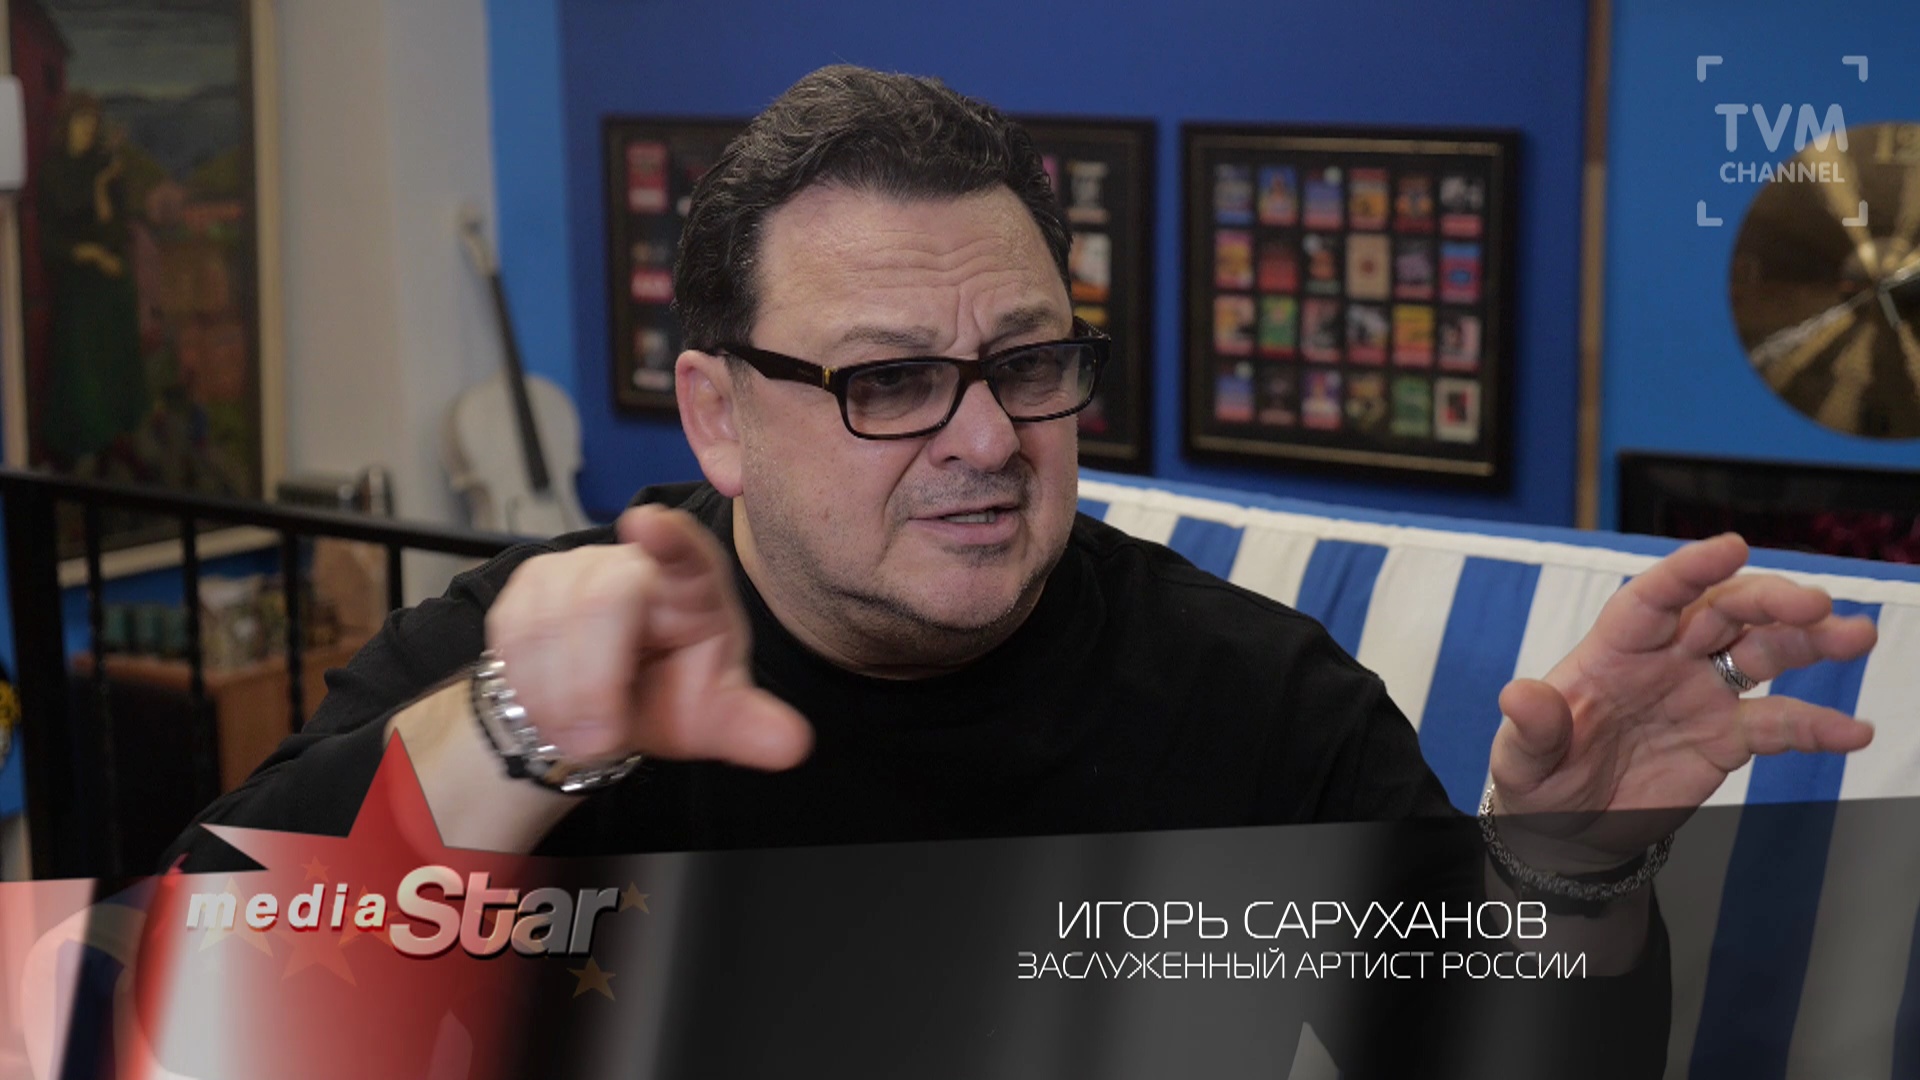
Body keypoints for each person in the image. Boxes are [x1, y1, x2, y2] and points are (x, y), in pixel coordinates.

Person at [165, 64, 1876, 1073]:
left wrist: (1571, 877)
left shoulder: (1250, 698)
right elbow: (195, 1014)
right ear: (718, 415)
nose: (988, 438)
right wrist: (513, 744)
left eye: (1031, 362)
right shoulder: (555, 657)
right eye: (890, 380)